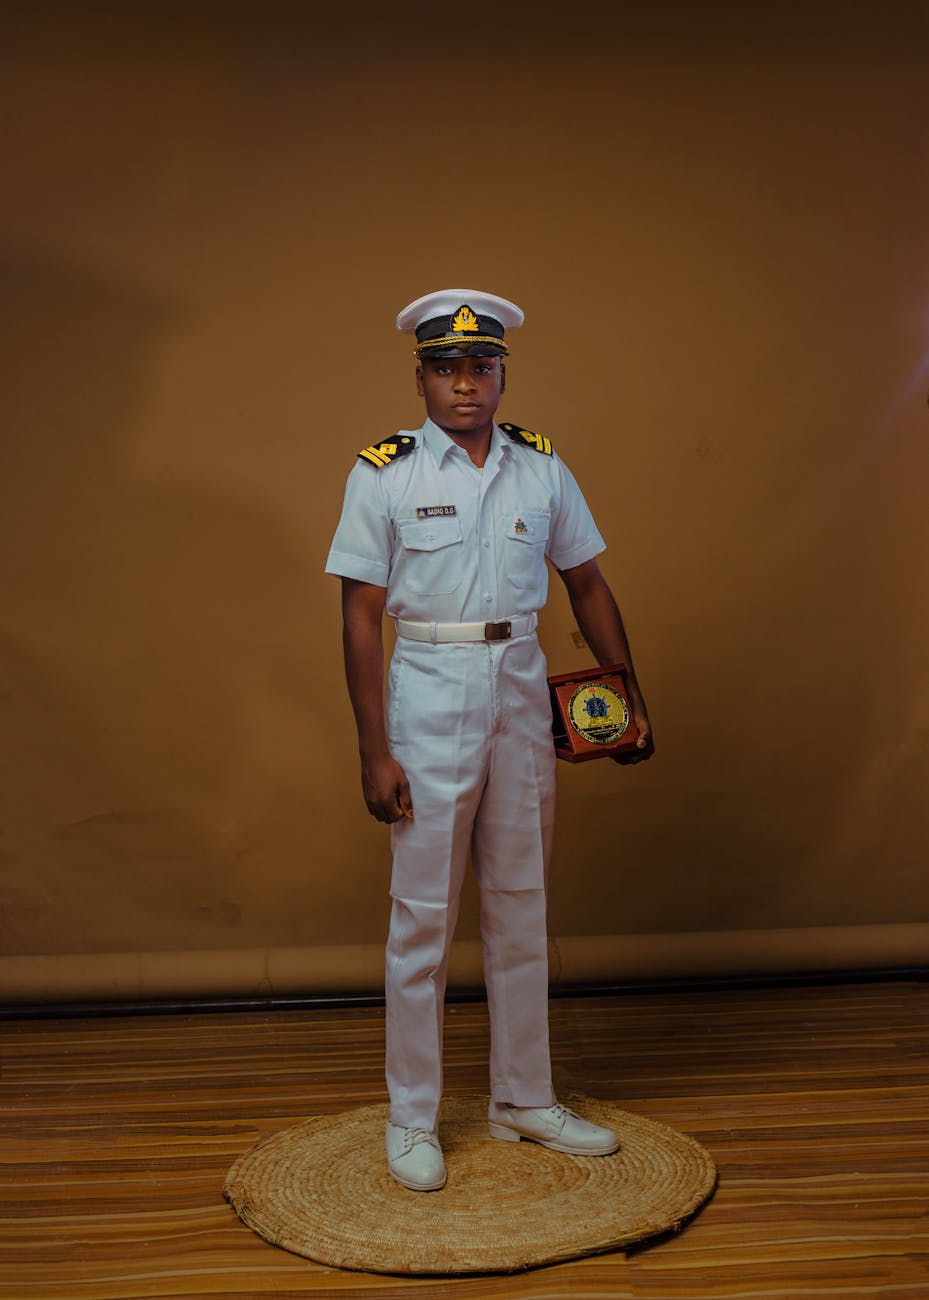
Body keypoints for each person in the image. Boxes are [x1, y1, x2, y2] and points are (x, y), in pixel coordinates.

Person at [325, 289, 652, 1191]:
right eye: (445, 368)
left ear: (502, 375)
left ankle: (522, 1097)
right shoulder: (384, 473)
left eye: (481, 367)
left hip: (518, 684)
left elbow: (585, 582)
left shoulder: (539, 469)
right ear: (420, 377)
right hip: (426, 687)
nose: (464, 384)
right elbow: (358, 615)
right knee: (421, 916)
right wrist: (372, 747)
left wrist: (624, 697)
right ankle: (411, 1116)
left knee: (522, 900)